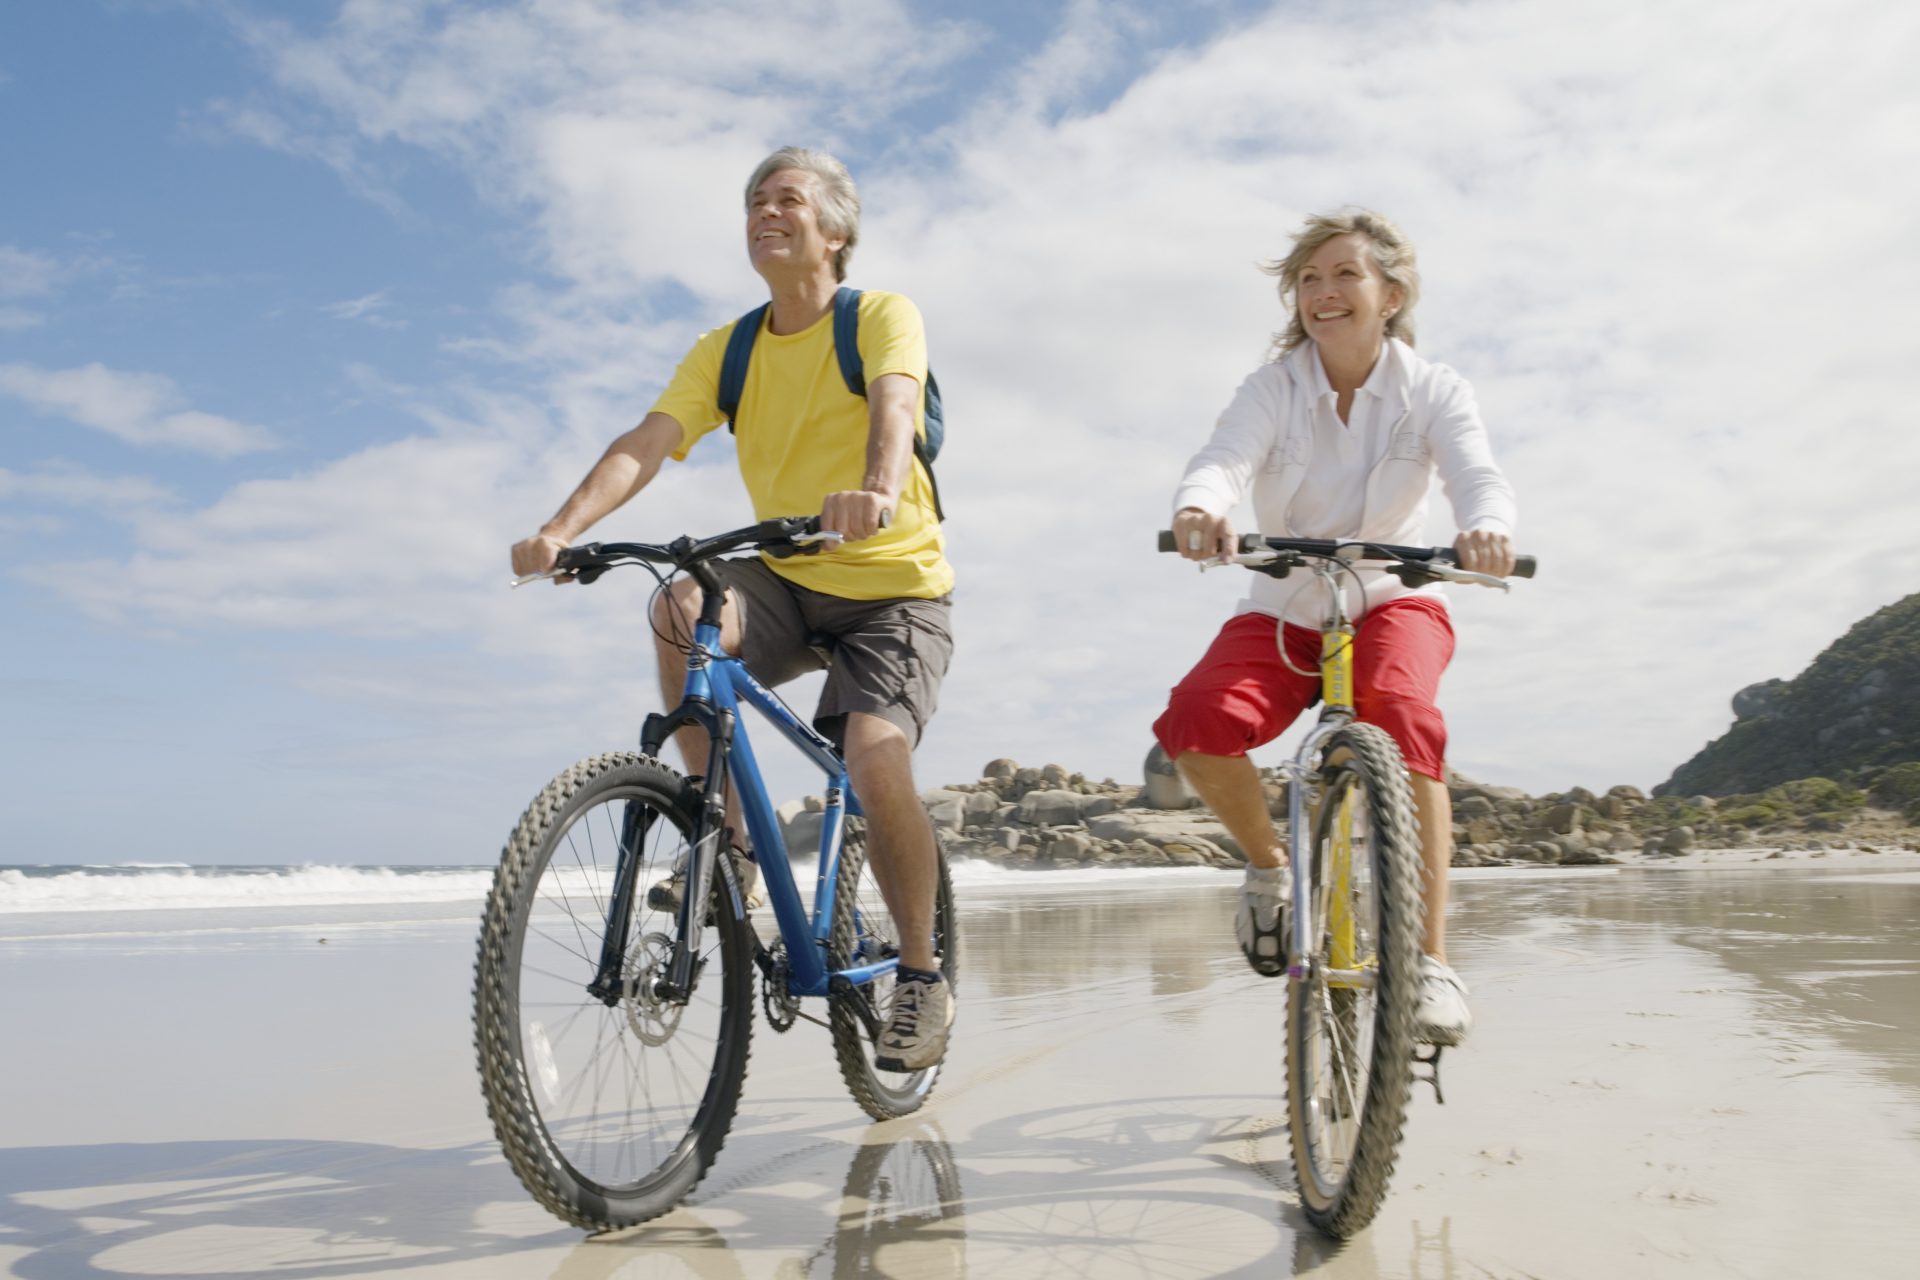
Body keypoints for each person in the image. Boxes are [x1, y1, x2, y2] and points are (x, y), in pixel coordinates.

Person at [509, 147, 956, 1072]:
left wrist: (874, 489)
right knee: (680, 605)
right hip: (790, 577)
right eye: (755, 200)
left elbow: (895, 406)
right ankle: (735, 842)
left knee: (873, 761)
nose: (765, 211)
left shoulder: (878, 316)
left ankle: (919, 975)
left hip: (894, 588)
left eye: (787, 199)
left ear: (834, 231)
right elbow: (648, 441)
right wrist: (559, 529)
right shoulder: (732, 349)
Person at [1154, 208, 1516, 1047]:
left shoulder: (1435, 388)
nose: (1323, 293)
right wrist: (1200, 507)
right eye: (1309, 279)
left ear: (1390, 294)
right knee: (1197, 722)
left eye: (1344, 276)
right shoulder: (1273, 387)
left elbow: (1477, 474)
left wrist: (1487, 528)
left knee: (1405, 720)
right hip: (1286, 600)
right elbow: (1224, 457)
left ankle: (1429, 961)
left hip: (1395, 597)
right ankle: (1269, 869)